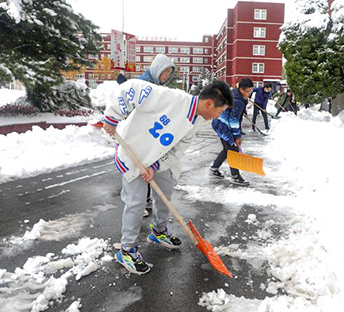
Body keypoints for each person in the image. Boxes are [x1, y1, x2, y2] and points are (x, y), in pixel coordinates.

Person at [102, 79, 233, 275]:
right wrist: (112, 117)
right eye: (220, 111)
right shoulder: (171, 98)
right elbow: (131, 88)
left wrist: (155, 166)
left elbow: (177, 150)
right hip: (133, 153)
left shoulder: (196, 120)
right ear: (209, 104)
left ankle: (159, 231)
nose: (218, 116)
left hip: (156, 158)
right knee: (136, 202)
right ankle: (127, 250)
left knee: (165, 189)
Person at [137, 54, 176, 216]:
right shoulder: (143, 84)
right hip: (140, 134)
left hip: (150, 133)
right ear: (158, 69)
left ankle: (143, 201)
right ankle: (138, 205)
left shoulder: (155, 85)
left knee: (147, 169)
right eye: (165, 72)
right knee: (140, 170)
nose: (167, 76)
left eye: (169, 73)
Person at [210, 78, 253, 186]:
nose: (250, 93)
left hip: (218, 122)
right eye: (248, 91)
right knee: (233, 150)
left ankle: (214, 169)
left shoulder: (235, 94)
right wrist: (237, 136)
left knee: (227, 149)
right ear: (241, 89)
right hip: (224, 126)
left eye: (251, 91)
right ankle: (235, 177)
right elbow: (233, 120)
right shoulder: (238, 101)